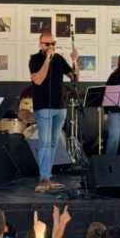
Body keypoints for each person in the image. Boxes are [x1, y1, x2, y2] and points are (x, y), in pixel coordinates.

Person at [29, 31, 78, 192]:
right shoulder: (35, 59)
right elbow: (38, 80)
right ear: (40, 44)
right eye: (47, 44)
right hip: (43, 107)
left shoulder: (59, 58)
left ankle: (48, 176)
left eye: (53, 43)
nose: (51, 47)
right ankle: (44, 178)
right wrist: (47, 60)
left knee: (53, 143)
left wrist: (75, 61)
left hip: (60, 106)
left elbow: (75, 77)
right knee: (44, 143)